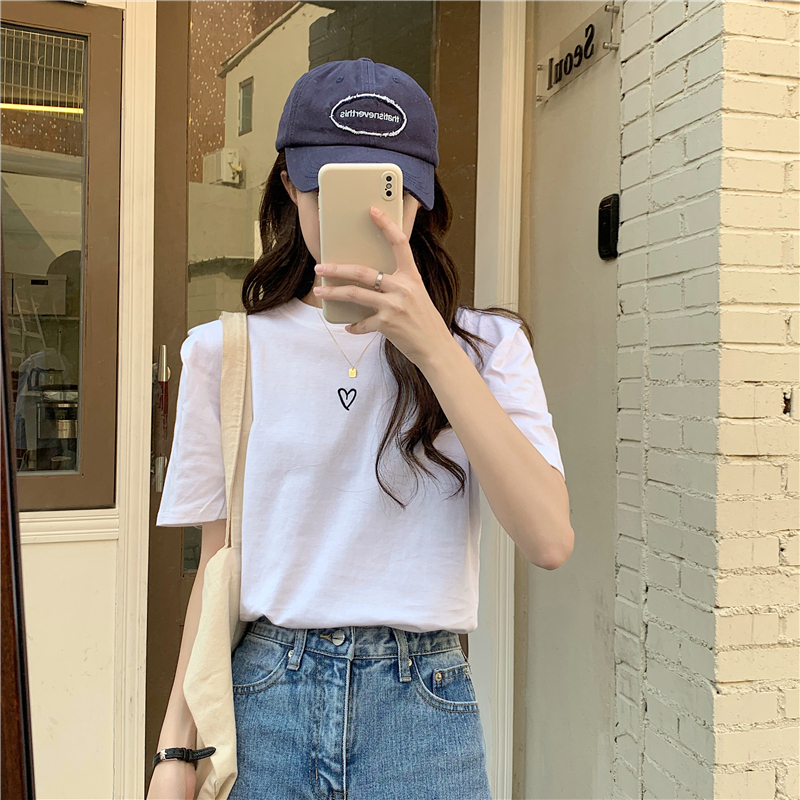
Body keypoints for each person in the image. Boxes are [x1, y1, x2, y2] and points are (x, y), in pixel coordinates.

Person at [148, 57, 573, 800]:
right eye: (329, 187)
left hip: (422, 711)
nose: (370, 217)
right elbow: (216, 568)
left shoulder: (487, 348)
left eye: (388, 190)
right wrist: (175, 755)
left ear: (423, 196)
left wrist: (432, 346)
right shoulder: (225, 353)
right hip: (266, 700)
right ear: (290, 184)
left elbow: (549, 540)